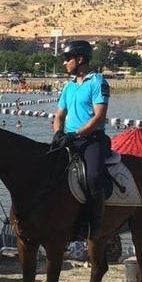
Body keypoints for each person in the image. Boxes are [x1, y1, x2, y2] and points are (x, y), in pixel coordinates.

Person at [52, 40, 111, 238]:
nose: (64, 63)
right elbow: (59, 115)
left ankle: (94, 224)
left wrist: (76, 134)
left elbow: (99, 117)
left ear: (80, 59)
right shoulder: (68, 87)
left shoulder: (97, 82)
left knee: (93, 177)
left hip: (91, 140)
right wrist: (58, 134)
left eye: (67, 59)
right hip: (67, 138)